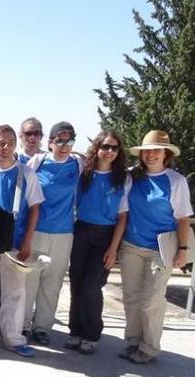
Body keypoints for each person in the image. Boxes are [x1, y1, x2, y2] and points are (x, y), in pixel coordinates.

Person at [119, 130, 192, 364]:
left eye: (156, 150)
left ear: (166, 154)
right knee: (131, 297)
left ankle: (149, 347)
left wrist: (183, 250)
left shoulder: (176, 181)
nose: (151, 155)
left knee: (152, 299)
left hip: (161, 250)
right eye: (147, 151)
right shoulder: (131, 176)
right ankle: (132, 341)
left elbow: (183, 218)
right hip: (131, 246)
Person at [0, 125, 43, 357]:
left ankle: (13, 337)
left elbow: (34, 208)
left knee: (15, 289)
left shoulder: (26, 173)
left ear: (16, 144)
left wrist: (28, 240)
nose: (5, 147)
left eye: (10, 142)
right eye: (1, 143)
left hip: (15, 239)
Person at [66, 130, 129, 354]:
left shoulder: (123, 177)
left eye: (114, 148)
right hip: (81, 230)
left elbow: (123, 216)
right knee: (77, 283)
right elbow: (70, 154)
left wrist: (113, 248)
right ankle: (75, 331)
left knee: (92, 287)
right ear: (97, 148)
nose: (109, 151)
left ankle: (91, 334)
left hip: (106, 236)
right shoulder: (85, 172)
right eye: (104, 146)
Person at [21, 122, 83, 346]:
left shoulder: (78, 164)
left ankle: (42, 327)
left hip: (64, 233)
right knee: (29, 279)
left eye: (69, 141)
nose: (64, 145)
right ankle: (24, 325)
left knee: (52, 282)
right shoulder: (37, 162)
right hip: (36, 230)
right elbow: (23, 192)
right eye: (60, 140)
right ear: (50, 142)